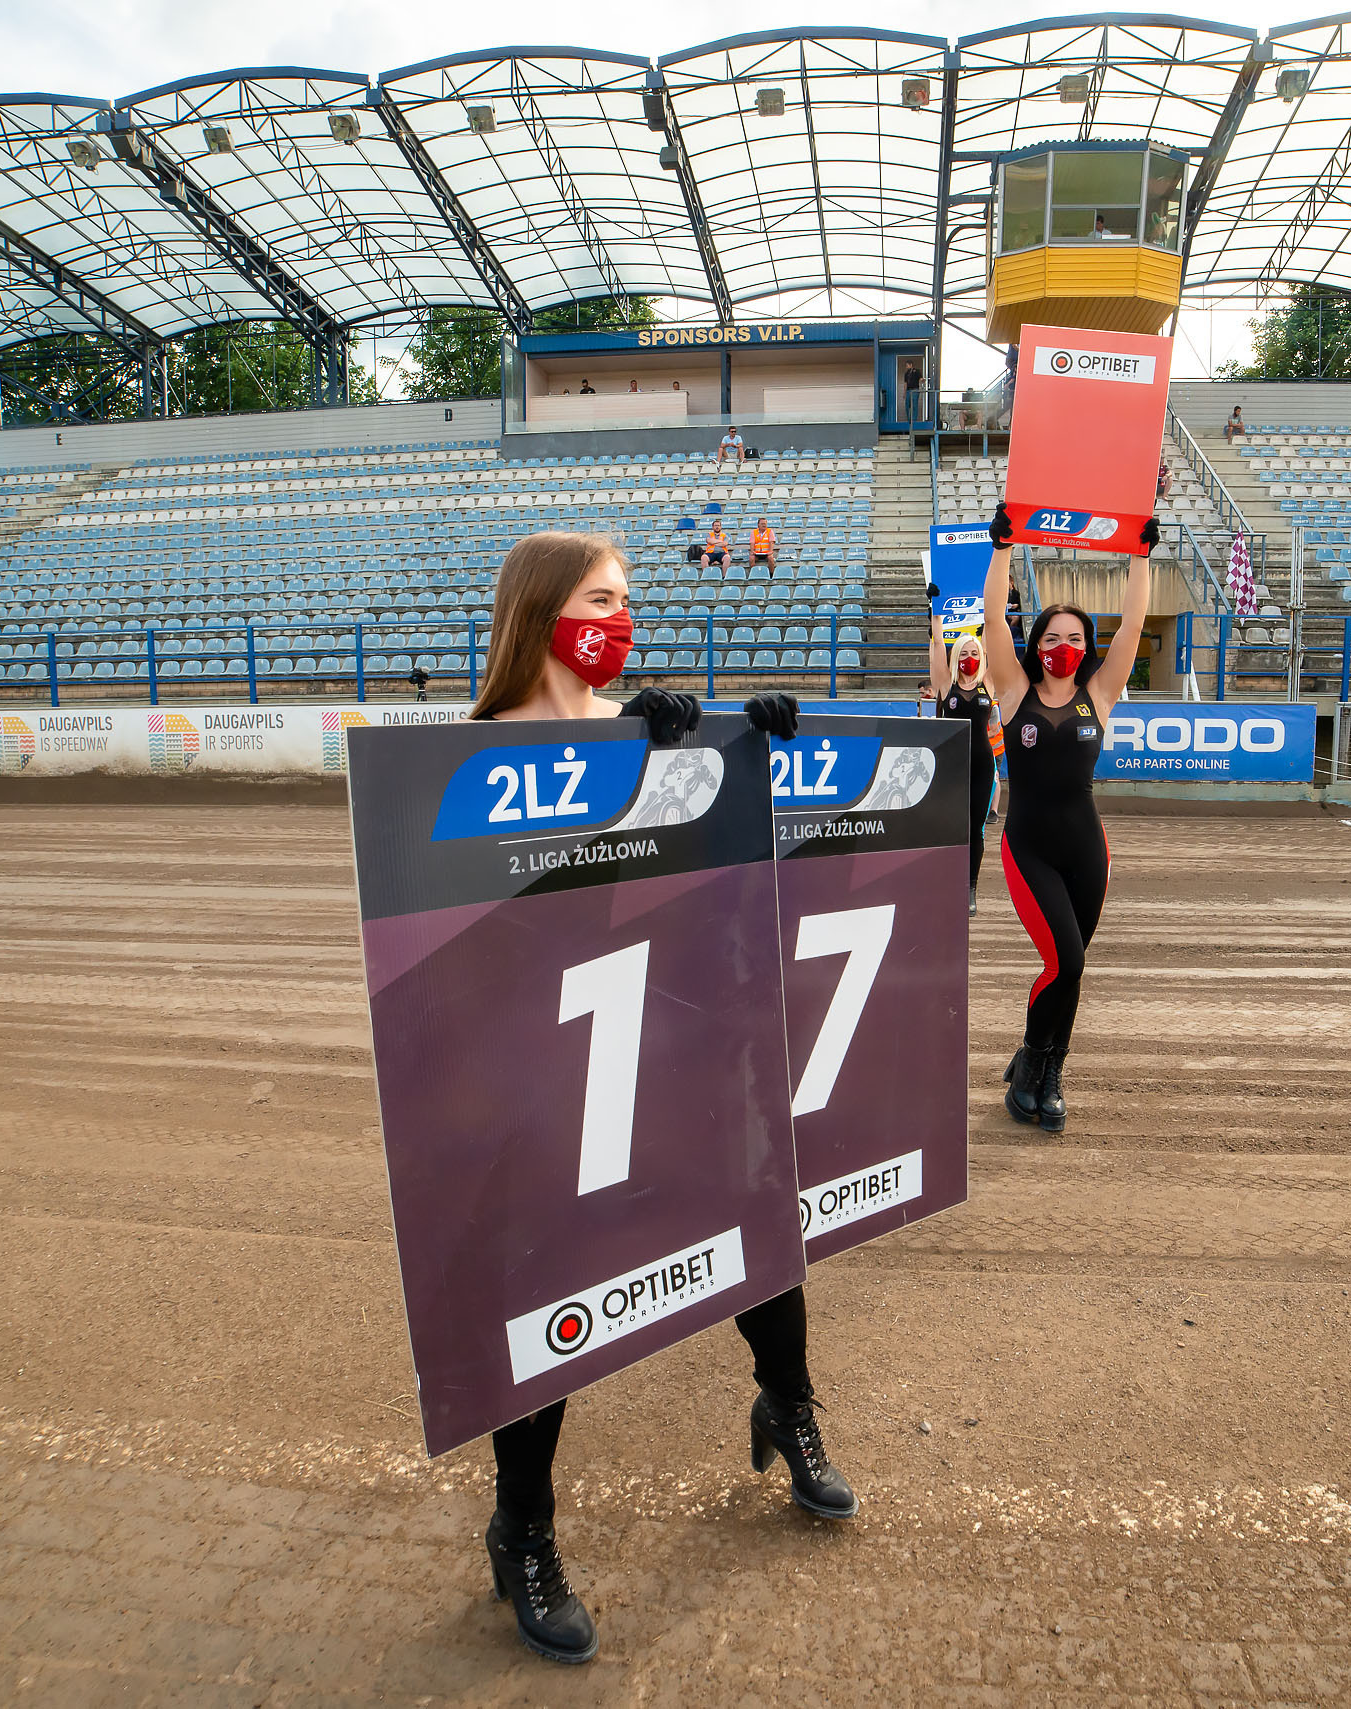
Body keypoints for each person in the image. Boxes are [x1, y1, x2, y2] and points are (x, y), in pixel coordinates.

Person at [467, 531, 846, 1667]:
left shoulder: (645, 732)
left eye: (628, 600)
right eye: (601, 599)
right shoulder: (471, 756)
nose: (621, 618)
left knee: (758, 1228)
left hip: (665, 1051)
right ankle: (521, 1526)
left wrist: (744, 749)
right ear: (540, 615)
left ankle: (788, 1405)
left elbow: (703, 882)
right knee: (546, 1306)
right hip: (541, 1081)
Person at [977, 509, 1154, 1133]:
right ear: (1036, 646)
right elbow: (994, 617)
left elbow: (1134, 621)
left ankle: (1051, 1067)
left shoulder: (1100, 693)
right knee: (1066, 963)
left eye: (1074, 638)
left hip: (1087, 851)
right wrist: (1002, 549)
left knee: (1073, 960)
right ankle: (1031, 1068)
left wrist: (1139, 555)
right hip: (1028, 848)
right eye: (1051, 638)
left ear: (1087, 648)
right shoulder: (1011, 689)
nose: (1062, 647)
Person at [926, 600, 998, 915]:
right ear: (957, 657)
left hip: (982, 763)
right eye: (964, 653)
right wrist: (936, 609)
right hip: (951, 763)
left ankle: (969, 888)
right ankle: (944, 884)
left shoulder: (989, 684)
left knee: (975, 829)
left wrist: (994, 619)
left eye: (975, 653)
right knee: (947, 825)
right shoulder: (946, 684)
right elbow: (938, 642)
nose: (970, 658)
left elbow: (999, 645)